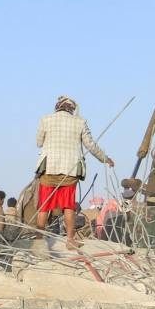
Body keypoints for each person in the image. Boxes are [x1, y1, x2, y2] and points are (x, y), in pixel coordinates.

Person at [35, 96, 114, 249]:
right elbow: (91, 145)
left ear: (57, 107)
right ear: (72, 109)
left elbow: (39, 143)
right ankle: (70, 241)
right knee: (68, 206)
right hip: (70, 172)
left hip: (48, 170)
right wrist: (106, 159)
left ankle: (38, 241)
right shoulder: (80, 121)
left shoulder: (45, 119)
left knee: (44, 205)